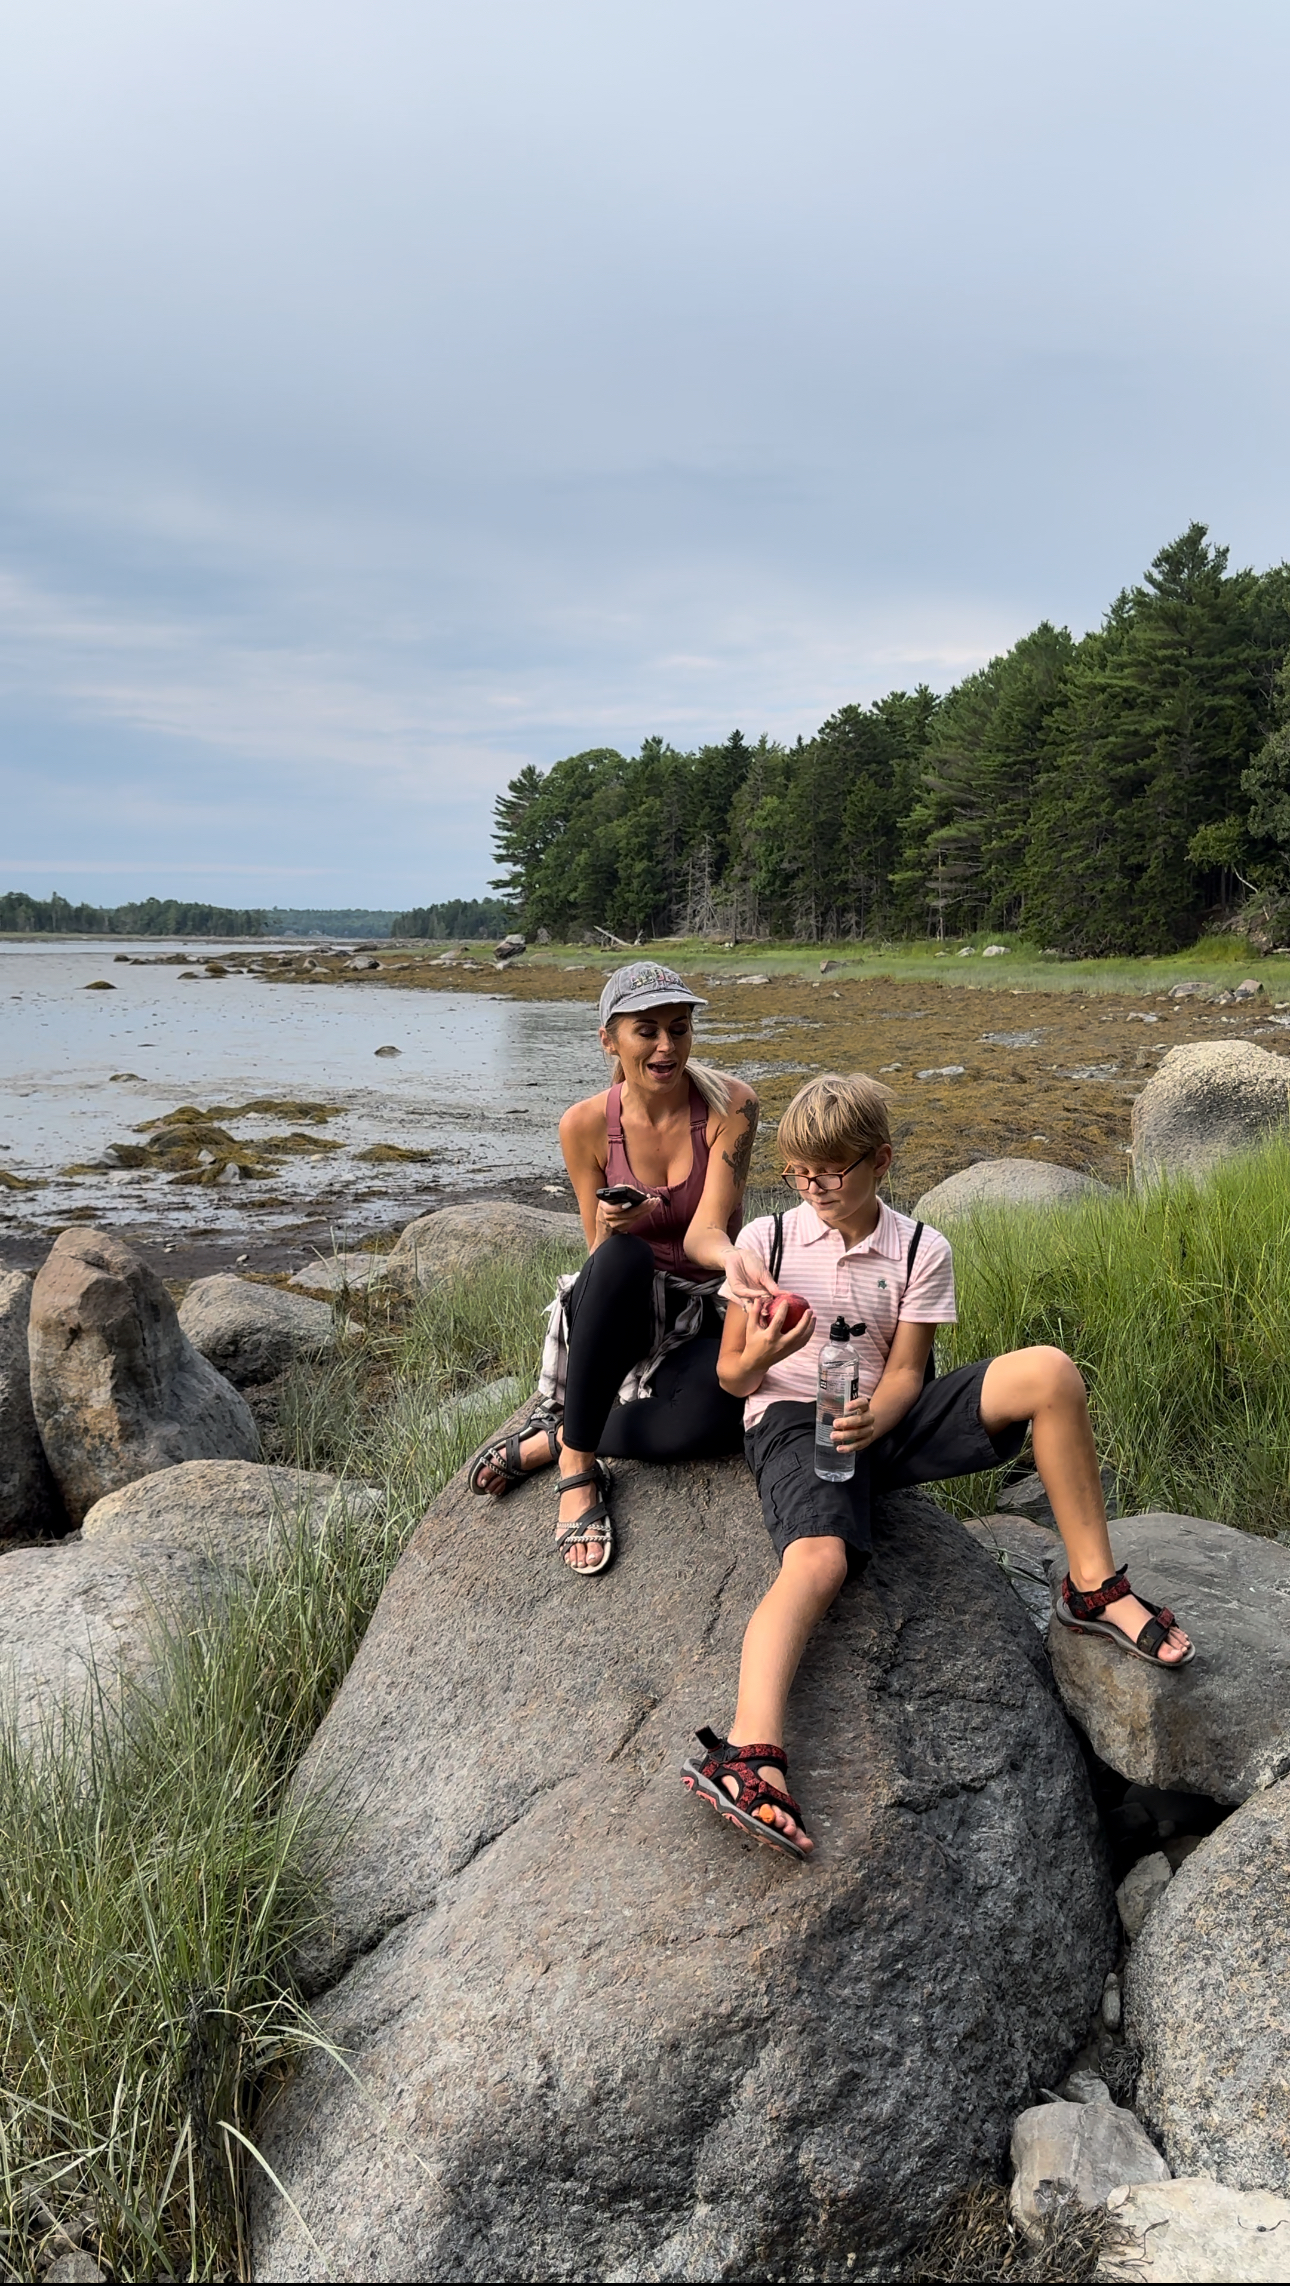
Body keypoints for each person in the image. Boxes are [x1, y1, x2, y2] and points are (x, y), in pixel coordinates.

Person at [682, 1070, 1194, 1862]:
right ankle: (749, 1752)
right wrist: (768, 1351)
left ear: (881, 1162)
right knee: (818, 1561)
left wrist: (871, 1422)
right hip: (789, 1417)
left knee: (1050, 1372)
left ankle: (1092, 1587)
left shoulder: (922, 1248)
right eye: (799, 1173)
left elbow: (908, 1375)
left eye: (833, 1172)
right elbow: (732, 1379)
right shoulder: (767, 1243)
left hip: (877, 1415)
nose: (814, 1188)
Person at [470, 961, 779, 1572]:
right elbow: (596, 1254)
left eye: (680, 1027)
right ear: (609, 1038)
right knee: (623, 1253)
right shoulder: (583, 1125)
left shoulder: (732, 1106)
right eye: (648, 1030)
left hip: (700, 1304)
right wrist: (615, 1229)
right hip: (620, 1302)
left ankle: (552, 1438)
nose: (668, 1046)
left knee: (718, 1419)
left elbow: (706, 1231)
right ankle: (579, 1464)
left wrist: (737, 1259)